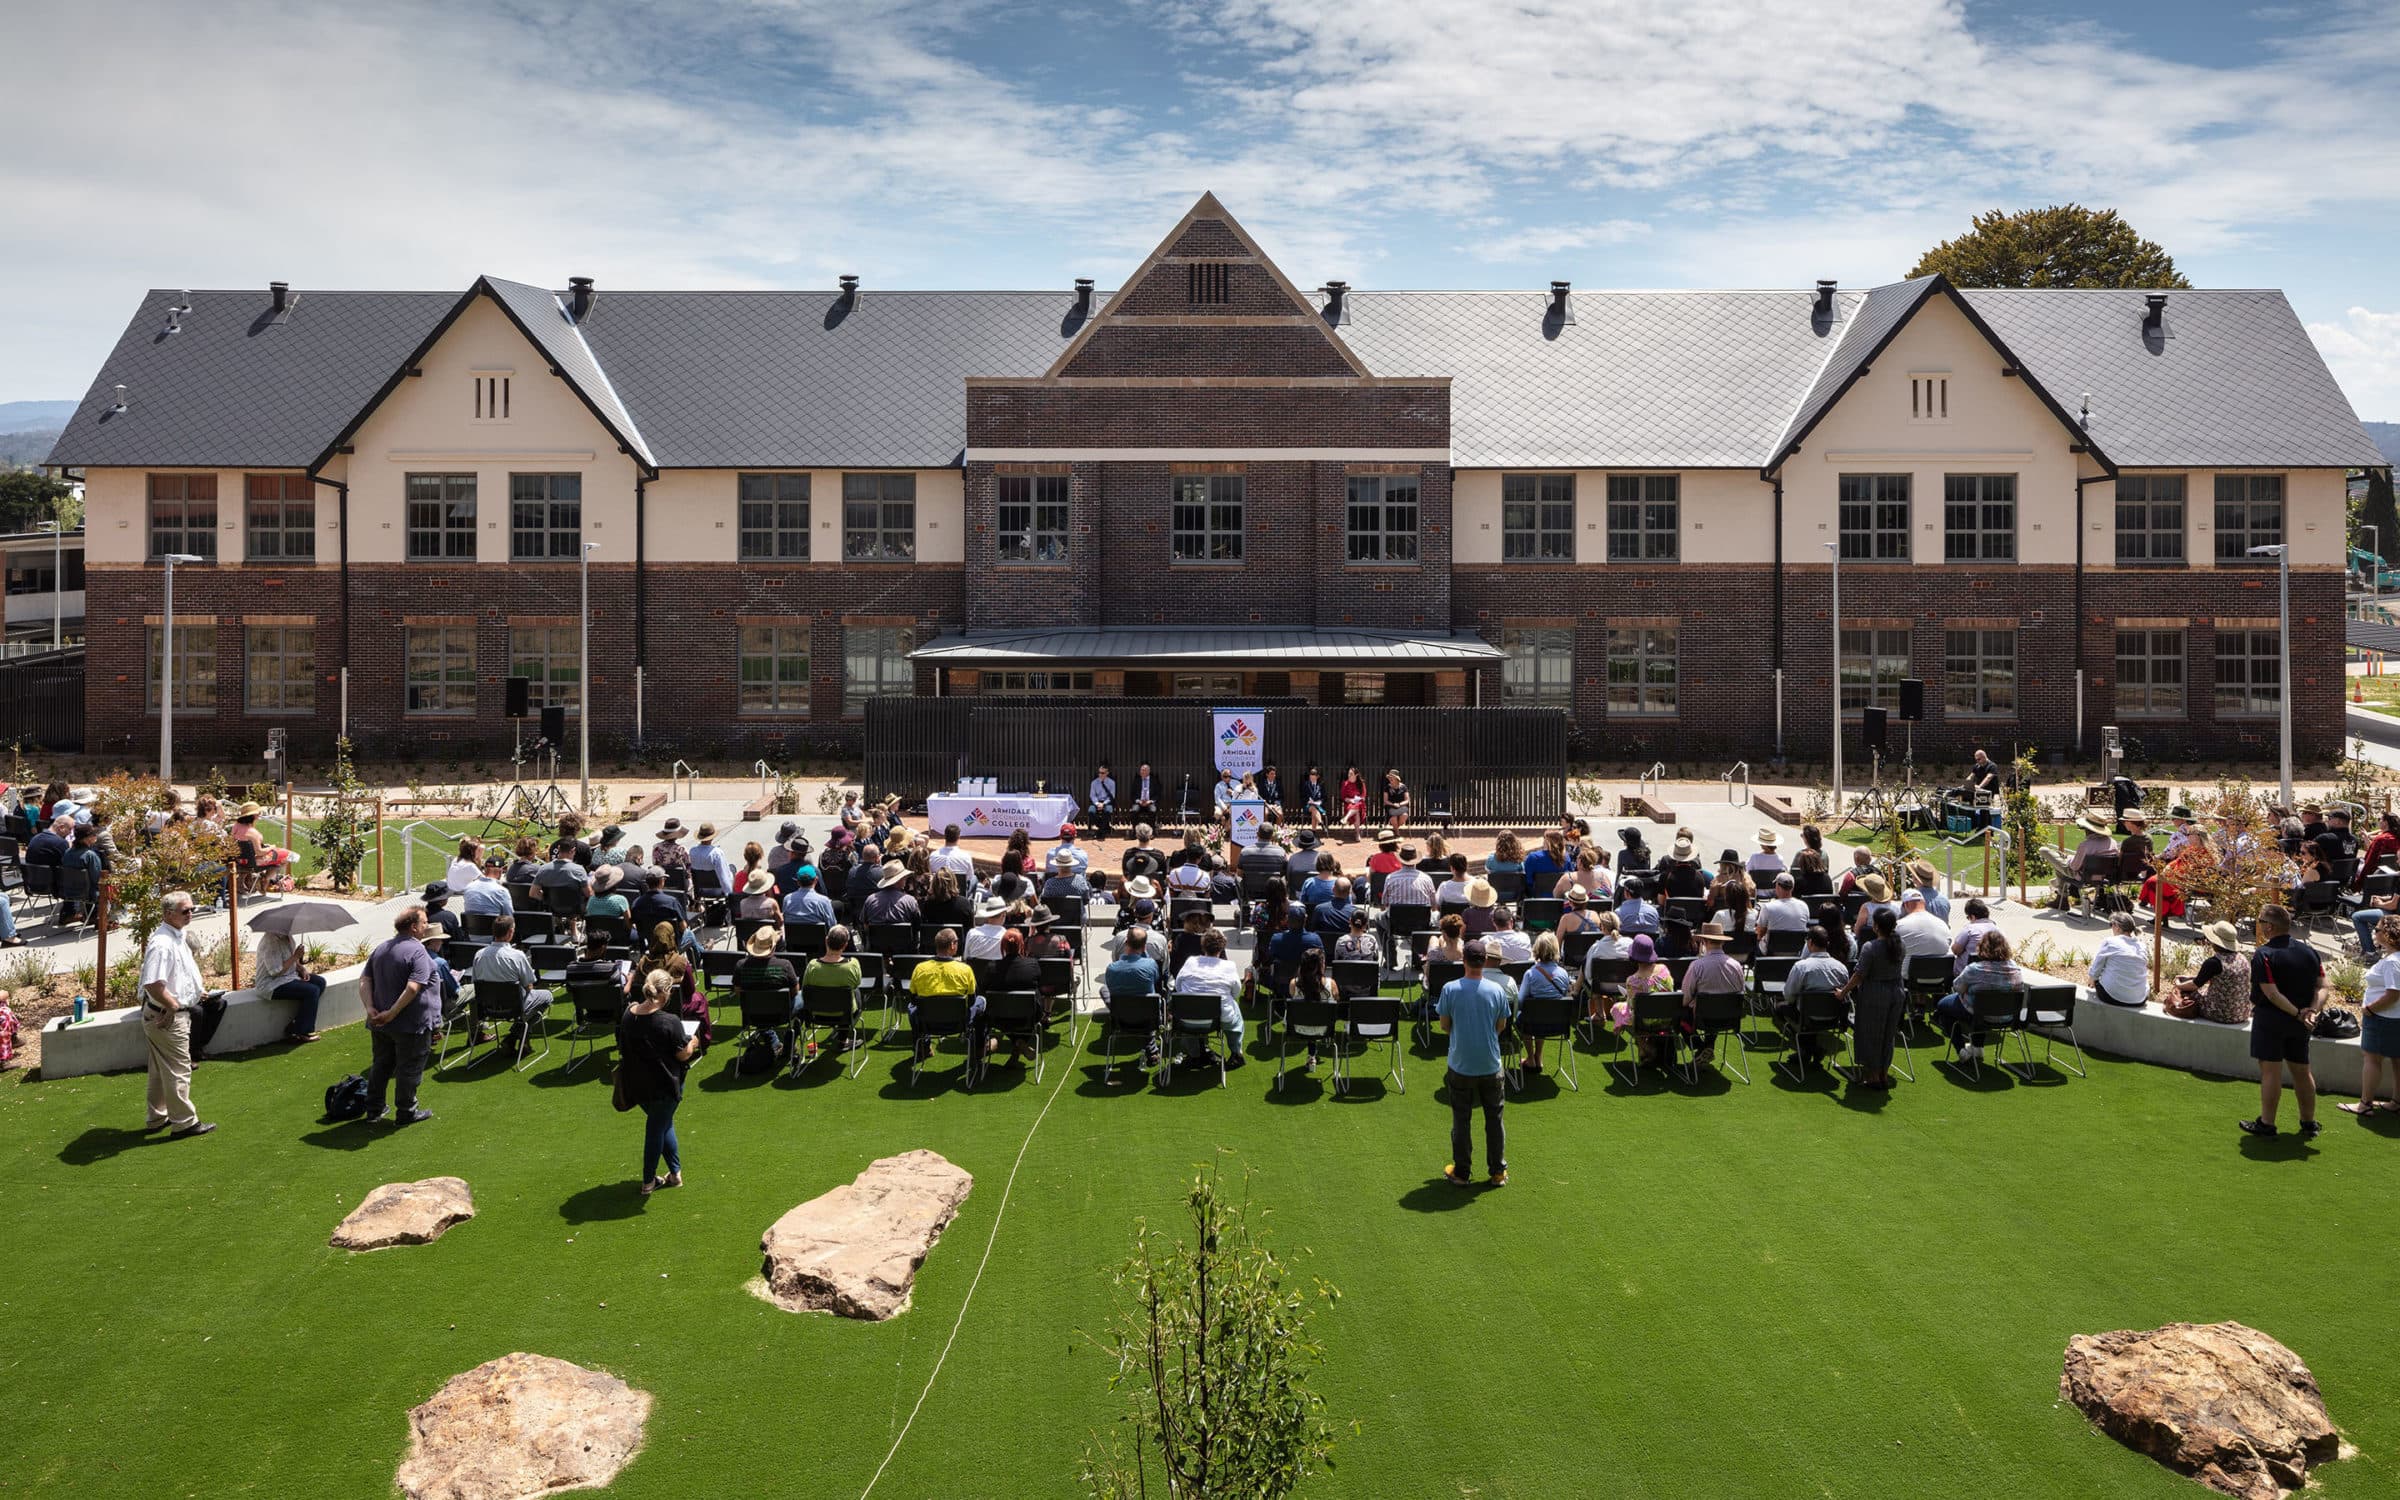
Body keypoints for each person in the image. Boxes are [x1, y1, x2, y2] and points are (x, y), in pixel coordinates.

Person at [2242, 904, 2323, 1139]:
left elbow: (2272, 994)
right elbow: (2323, 987)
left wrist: (2298, 1013)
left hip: (2272, 1020)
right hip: (2301, 1023)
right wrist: (2311, 1012)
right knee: (2302, 1071)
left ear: (2269, 926)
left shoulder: (2264, 954)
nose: (2259, 925)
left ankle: (2267, 1124)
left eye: (2260, 921)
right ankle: (2309, 1123)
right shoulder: (2309, 952)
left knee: (2271, 1072)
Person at [137, 891, 214, 1138]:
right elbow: (153, 984)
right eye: (185, 911)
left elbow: (179, 974)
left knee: (160, 1071)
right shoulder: (162, 944)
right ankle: (184, 1122)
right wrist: (172, 1006)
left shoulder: (177, 936)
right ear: (169, 914)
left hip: (162, 1014)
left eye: (192, 909)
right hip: (166, 1016)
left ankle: (157, 1117)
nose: (190, 914)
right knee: (179, 1069)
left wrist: (196, 991)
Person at [1438, 940, 1513, 1187]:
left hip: (1461, 1064)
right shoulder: (1497, 990)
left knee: (1461, 1120)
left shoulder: (1450, 989)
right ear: (1485, 961)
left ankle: (1462, 1172)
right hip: (1490, 1064)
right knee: (1495, 1119)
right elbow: (1501, 1026)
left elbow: (1445, 1025)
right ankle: (1497, 1171)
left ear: (1464, 960)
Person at [618, 968, 697, 1195]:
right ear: (667, 991)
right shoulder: (670, 1021)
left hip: (637, 1084)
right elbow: (682, 1054)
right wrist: (693, 1043)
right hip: (664, 1086)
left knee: (663, 1124)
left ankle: (675, 1173)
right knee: (656, 1128)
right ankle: (648, 1181)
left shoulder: (628, 1014)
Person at [360, 906, 442, 1126]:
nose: (427, 926)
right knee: (409, 1068)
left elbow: (365, 980)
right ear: (414, 927)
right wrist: (393, 1013)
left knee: (381, 1065)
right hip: (411, 1024)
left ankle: (374, 1109)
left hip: (379, 1023)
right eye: (424, 922)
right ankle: (406, 1112)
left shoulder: (381, 948)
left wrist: (370, 1008)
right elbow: (413, 987)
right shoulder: (418, 952)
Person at [470, 914, 557, 1055]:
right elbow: (529, 986)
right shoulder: (517, 956)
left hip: (487, 1008)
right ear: (510, 932)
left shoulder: (478, 955)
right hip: (514, 1007)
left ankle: (514, 1038)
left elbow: (476, 982)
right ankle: (514, 1037)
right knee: (547, 996)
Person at [2342, 912, 2400, 1118]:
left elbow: (2393, 994)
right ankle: (2396, 1102)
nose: (2374, 933)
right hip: (2393, 1018)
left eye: (2377, 929)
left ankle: (2365, 1104)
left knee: (2372, 1059)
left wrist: (2370, 1009)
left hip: (2383, 1018)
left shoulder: (2392, 962)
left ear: (2388, 934)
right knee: (2396, 1060)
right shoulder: (2393, 959)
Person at [1842, 908, 1907, 1088]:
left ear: (1876, 926)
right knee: (1888, 1034)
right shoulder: (1900, 944)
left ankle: (1873, 1076)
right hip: (1896, 991)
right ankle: (1883, 1072)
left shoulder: (1870, 947)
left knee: (1871, 1034)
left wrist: (1844, 991)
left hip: (1875, 993)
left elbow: (1859, 975)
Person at [1939, 929, 2024, 1063]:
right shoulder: (2015, 968)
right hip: (2007, 1017)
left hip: (1980, 1015)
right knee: (1982, 1006)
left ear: (1982, 947)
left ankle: (1961, 1050)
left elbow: (1957, 987)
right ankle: (1977, 1048)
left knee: (1943, 1006)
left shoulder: (1975, 969)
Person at [1169, 927, 1247, 1066]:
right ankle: (1236, 1053)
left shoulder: (1190, 961)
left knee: (1189, 1011)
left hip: (1188, 1017)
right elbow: (1236, 992)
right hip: (1219, 1019)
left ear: (1203, 945)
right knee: (1235, 1013)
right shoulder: (1229, 966)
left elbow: (1179, 985)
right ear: (1222, 947)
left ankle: (1194, 1054)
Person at [906, 928, 980, 1062]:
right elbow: (972, 1000)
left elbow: (913, 998)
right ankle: (978, 1049)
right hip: (959, 1023)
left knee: (911, 1008)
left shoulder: (920, 968)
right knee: (981, 1002)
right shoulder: (965, 970)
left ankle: (923, 1047)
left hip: (928, 1023)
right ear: (952, 945)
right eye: (957, 941)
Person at [1776, 925, 1850, 1057]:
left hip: (1808, 1017)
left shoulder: (1802, 967)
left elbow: (1788, 996)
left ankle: (1810, 1049)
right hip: (1834, 1017)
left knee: (1779, 1008)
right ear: (1827, 944)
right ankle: (1811, 1049)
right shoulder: (1841, 968)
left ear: (1810, 942)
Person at [1681, 922, 1747, 1064]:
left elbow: (1685, 998)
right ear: (1722, 942)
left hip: (1702, 1018)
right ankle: (1707, 1047)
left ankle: (1702, 1047)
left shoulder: (1697, 966)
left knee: (1680, 1014)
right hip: (1730, 1017)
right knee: (1714, 1008)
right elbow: (1741, 993)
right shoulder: (1736, 965)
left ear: (1704, 941)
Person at [799, 926, 866, 1058]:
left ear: (826, 941)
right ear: (845, 945)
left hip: (816, 1014)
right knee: (856, 993)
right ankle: (842, 1039)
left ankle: (842, 1038)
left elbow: (805, 986)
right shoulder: (852, 964)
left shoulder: (812, 965)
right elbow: (856, 984)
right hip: (844, 1015)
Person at [252, 928, 328, 1043]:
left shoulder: (288, 937)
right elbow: (275, 971)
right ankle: (301, 1032)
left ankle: (296, 1025)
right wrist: (296, 956)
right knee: (312, 991)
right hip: (271, 984)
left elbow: (292, 961)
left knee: (320, 982)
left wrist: (301, 969)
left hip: (289, 976)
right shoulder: (270, 942)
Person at [1516, 931, 1573, 1075]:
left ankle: (1531, 1058)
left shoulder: (1530, 974)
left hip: (1532, 1023)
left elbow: (1520, 1002)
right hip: (1557, 1024)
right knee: (1541, 1013)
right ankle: (1538, 1057)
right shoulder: (1564, 973)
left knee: (1528, 1015)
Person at [2086, 914, 2151, 1008]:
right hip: (2139, 999)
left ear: (2117, 926)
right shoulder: (2142, 946)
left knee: (2100, 974)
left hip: (2111, 996)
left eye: (2111, 924)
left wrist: (2092, 979)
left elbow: (2096, 967)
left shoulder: (2110, 941)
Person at [1893, 888, 1950, 962]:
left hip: (1908, 969)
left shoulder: (1899, 926)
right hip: (1940, 968)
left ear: (1905, 905)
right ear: (1924, 903)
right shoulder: (1943, 924)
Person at [861, 861, 921, 930]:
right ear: (899, 879)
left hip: (877, 937)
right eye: (904, 877)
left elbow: (865, 925)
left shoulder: (870, 900)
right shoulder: (910, 901)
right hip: (903, 937)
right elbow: (917, 926)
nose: (906, 878)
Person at [1950, 898, 2000, 976]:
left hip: (1967, 975)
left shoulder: (1969, 929)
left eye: (1968, 917)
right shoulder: (1998, 930)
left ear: (1972, 916)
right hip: (1991, 973)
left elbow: (1955, 950)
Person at [1755, 874, 1811, 940]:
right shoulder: (1804, 906)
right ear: (1792, 888)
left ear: (1777, 886)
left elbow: (1759, 934)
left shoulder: (1767, 907)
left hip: (1772, 946)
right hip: (1796, 946)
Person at [462, 854, 513, 918]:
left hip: (470, 924)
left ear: (485, 868)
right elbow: (509, 916)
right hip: (494, 924)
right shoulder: (501, 891)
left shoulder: (468, 888)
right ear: (501, 870)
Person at [1338, 765, 1368, 830]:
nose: (1349, 775)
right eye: (1348, 773)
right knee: (1356, 811)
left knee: (1357, 806)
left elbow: (1363, 796)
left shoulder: (1361, 783)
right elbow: (1343, 797)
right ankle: (1357, 834)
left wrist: (1358, 799)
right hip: (1349, 804)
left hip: (1360, 804)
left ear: (1356, 775)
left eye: (1351, 774)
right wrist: (1349, 800)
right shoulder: (1345, 783)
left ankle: (1345, 818)